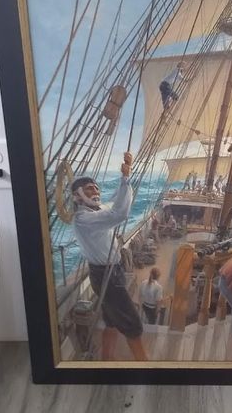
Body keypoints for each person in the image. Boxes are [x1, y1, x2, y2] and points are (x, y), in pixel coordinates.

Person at [71, 152, 148, 361]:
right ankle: (147, 367)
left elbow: (113, 202)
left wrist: (124, 178)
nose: (95, 191)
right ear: (77, 196)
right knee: (133, 325)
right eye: (89, 188)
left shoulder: (95, 211)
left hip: (111, 272)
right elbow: (118, 214)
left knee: (111, 322)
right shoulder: (84, 219)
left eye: (97, 188)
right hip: (106, 276)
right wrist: (126, 178)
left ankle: (107, 359)